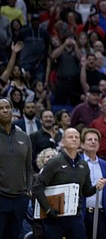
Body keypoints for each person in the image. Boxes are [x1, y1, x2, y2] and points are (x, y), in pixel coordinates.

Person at [32, 127, 106, 239]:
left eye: (76, 137)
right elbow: (37, 187)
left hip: (75, 217)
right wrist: (47, 209)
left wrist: (96, 187)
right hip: (55, 217)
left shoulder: (83, 165)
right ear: (63, 141)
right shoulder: (55, 162)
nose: (74, 139)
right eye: (70, 137)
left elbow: (85, 191)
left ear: (80, 143)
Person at [0, 97, 33, 239]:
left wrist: (28, 190)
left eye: (7, 107)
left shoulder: (24, 137)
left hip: (20, 198)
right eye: (1, 108)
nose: (5, 110)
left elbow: (29, 167)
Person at [81, 128, 106, 239]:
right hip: (81, 214)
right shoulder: (76, 163)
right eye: (89, 139)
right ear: (82, 144)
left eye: (96, 140)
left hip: (100, 215)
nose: (93, 142)